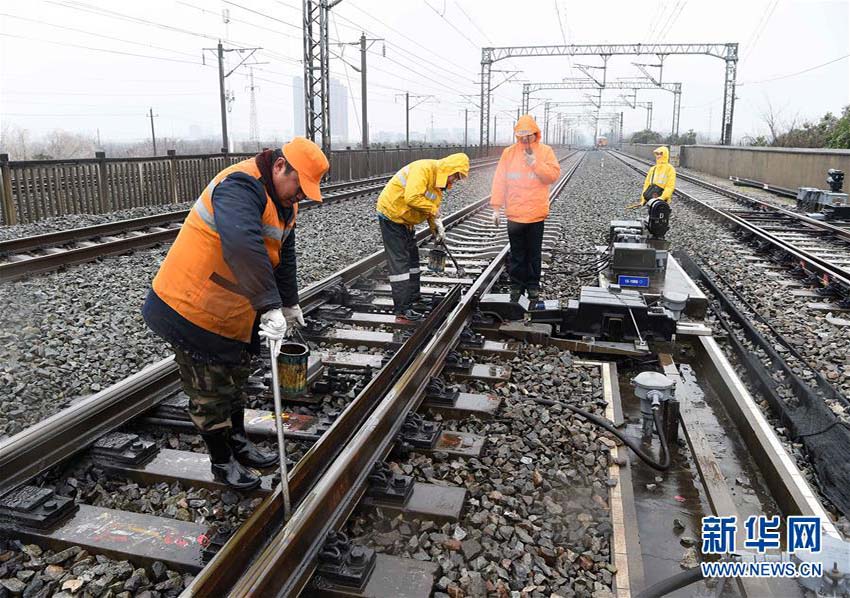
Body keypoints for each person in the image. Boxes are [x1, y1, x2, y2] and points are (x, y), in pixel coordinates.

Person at [142, 137, 329, 490]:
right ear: (279, 167)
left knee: (235, 378)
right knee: (209, 389)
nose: (301, 195)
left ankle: (238, 442)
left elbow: (283, 253)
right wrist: (269, 305)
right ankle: (221, 461)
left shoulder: (286, 203)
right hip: (193, 306)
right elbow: (243, 245)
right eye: (299, 186)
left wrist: (288, 302)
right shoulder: (239, 185)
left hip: (232, 308)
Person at [376, 153, 469, 321]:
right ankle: (402, 311)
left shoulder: (438, 187)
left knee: (413, 261)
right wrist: (434, 211)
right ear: (449, 169)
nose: (455, 181)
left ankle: (414, 298)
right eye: (456, 176)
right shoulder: (423, 169)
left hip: (406, 220)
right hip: (391, 215)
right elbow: (412, 198)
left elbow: (429, 210)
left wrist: (436, 230)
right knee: (400, 263)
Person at [490, 114, 561, 303]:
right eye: (521, 136)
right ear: (517, 135)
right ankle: (516, 286)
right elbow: (500, 180)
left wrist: (535, 164)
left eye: (528, 135)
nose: (525, 139)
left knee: (534, 253)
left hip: (536, 214)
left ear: (535, 134)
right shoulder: (509, 153)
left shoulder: (545, 151)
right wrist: (496, 207)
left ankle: (533, 286)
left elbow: (552, 176)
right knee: (517, 253)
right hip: (515, 214)